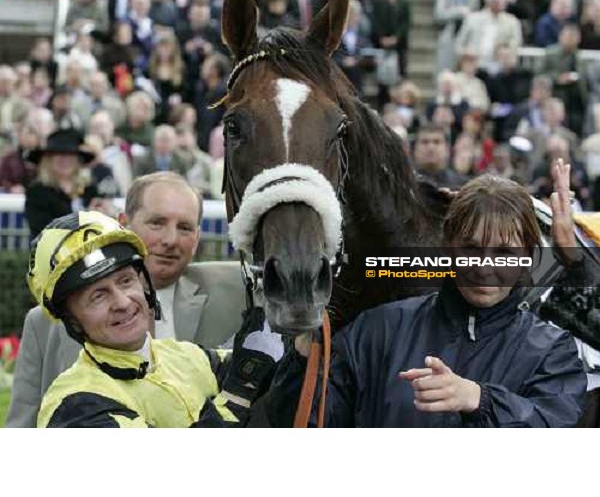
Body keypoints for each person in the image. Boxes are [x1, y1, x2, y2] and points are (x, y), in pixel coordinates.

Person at [266, 165, 587, 427]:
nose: (484, 267)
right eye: (471, 249)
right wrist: (303, 358)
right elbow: (301, 424)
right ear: (447, 246)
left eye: (504, 251)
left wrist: (480, 400)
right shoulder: (378, 330)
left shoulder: (553, 352)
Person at [6, 172, 247, 427]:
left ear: (197, 237)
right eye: (157, 222)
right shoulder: (46, 331)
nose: (170, 240)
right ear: (124, 222)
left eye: (185, 227)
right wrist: (238, 395)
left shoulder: (237, 290)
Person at [26, 210, 281, 427]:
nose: (123, 302)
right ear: (72, 320)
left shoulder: (186, 355)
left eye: (126, 281)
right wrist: (237, 392)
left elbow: (273, 376)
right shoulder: (74, 404)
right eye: (98, 296)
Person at [24, 129, 100, 239]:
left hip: (90, 251)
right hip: (52, 252)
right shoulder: (37, 192)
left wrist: (101, 211)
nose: (65, 160)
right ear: (48, 160)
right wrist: (86, 217)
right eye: (59, 155)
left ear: (78, 160)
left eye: (70, 155)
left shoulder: (90, 188)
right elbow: (43, 229)